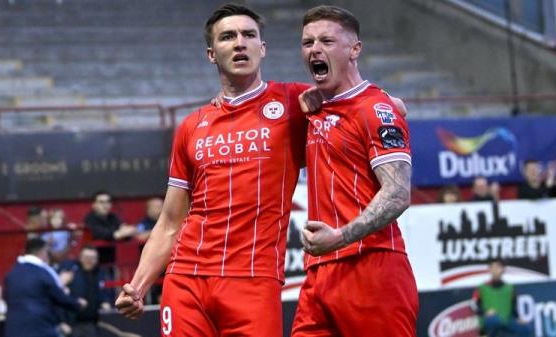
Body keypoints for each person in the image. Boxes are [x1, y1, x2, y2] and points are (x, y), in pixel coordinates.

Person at [115, 4, 407, 335]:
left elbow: (368, 102)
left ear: (262, 48)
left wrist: (393, 104)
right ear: (212, 54)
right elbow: (169, 222)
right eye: (228, 37)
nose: (240, 43)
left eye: (249, 35)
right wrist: (138, 286)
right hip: (186, 279)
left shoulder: (295, 103)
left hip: (254, 279)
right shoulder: (192, 126)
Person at [291, 6, 418, 337]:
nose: (315, 49)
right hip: (318, 273)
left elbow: (398, 194)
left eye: (327, 40)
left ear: (354, 49)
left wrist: (340, 237)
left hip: (372, 266)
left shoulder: (377, 109)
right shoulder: (312, 107)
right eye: (307, 42)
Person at [4, 238, 86, 337]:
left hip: (14, 328)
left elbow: (5, 297)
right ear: (43, 252)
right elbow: (59, 297)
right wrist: (77, 303)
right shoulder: (44, 271)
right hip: (40, 328)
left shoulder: (12, 272)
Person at [62, 245, 113, 337]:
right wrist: (62, 321)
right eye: (86, 258)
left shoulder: (101, 272)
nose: (89, 261)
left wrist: (105, 302)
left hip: (94, 323)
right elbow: (60, 297)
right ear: (80, 258)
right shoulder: (70, 270)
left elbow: (106, 292)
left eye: (92, 258)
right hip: (73, 323)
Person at [471, 260, 531, 337]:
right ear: (489, 269)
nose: (495, 270)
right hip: (489, 321)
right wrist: (485, 312)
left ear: (503, 270)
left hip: (507, 321)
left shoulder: (510, 288)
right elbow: (473, 304)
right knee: (494, 321)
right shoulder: (482, 287)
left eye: (498, 267)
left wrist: (518, 318)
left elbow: (513, 308)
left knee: (525, 328)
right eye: (493, 267)